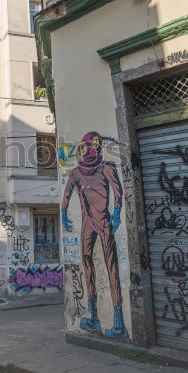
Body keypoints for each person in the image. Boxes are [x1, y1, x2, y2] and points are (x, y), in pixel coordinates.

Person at [61, 131, 129, 338]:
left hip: (103, 222)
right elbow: (66, 195)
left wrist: (117, 213)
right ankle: (95, 318)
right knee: (90, 265)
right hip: (88, 224)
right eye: (87, 145)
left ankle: (118, 323)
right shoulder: (76, 172)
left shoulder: (106, 168)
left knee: (112, 267)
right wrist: (63, 213)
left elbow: (119, 193)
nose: (89, 149)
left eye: (92, 145)